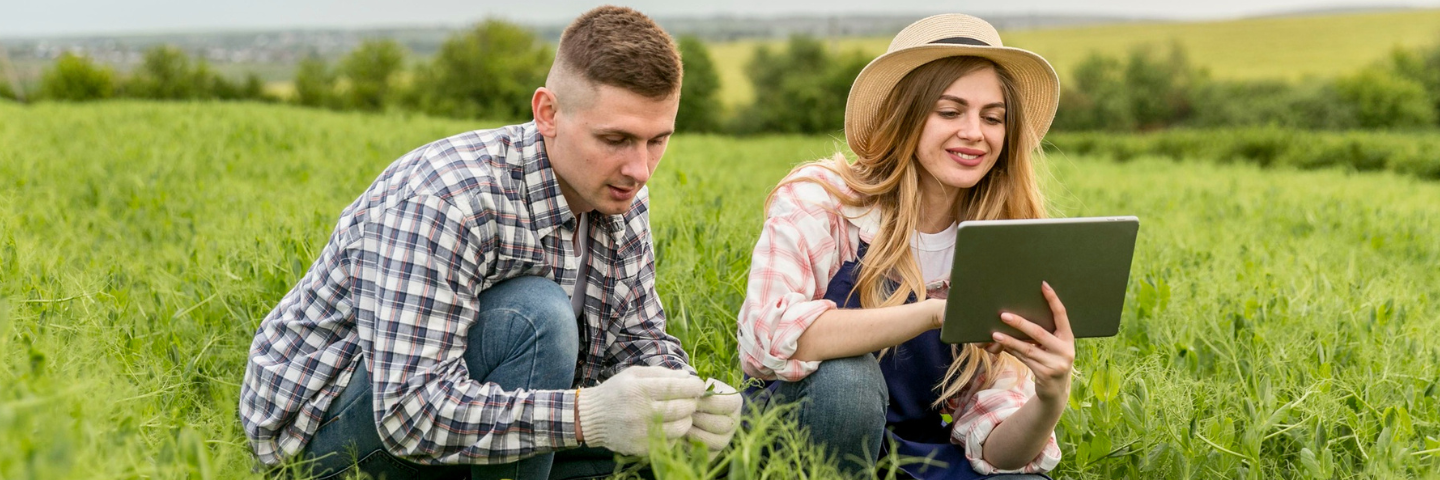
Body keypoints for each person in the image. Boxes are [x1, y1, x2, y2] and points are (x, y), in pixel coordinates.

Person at [240, 6, 742, 480]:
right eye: (615, 140)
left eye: (657, 140)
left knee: (684, 445)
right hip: (321, 436)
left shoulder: (618, 192)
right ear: (548, 113)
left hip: (463, 417)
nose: (639, 169)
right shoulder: (447, 199)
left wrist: (688, 394)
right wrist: (586, 416)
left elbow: (635, 335)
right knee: (536, 315)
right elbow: (407, 415)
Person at [737, 14, 1071, 480]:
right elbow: (765, 337)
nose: (975, 132)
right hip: (798, 437)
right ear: (905, 115)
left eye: (993, 118)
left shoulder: (998, 243)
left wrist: (1050, 396)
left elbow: (999, 451)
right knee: (846, 383)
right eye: (950, 111)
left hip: (908, 453)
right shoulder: (826, 200)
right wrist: (934, 313)